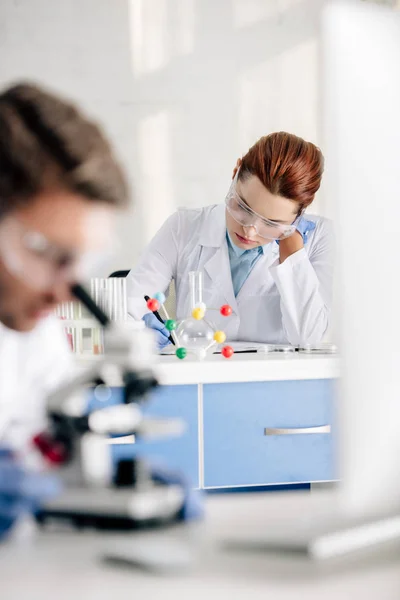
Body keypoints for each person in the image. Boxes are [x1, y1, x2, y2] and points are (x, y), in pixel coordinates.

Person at [0, 82, 128, 538]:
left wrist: (107, 490)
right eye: (45, 252)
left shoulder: (33, 323)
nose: (64, 292)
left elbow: (44, 449)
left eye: (78, 261)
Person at [127, 132, 334, 349]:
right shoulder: (184, 226)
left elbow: (308, 338)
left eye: (271, 223)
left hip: (274, 379)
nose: (250, 231)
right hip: (199, 376)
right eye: (243, 207)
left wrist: (293, 254)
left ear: (299, 215)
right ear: (235, 172)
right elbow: (130, 306)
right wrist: (137, 331)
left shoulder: (321, 237)